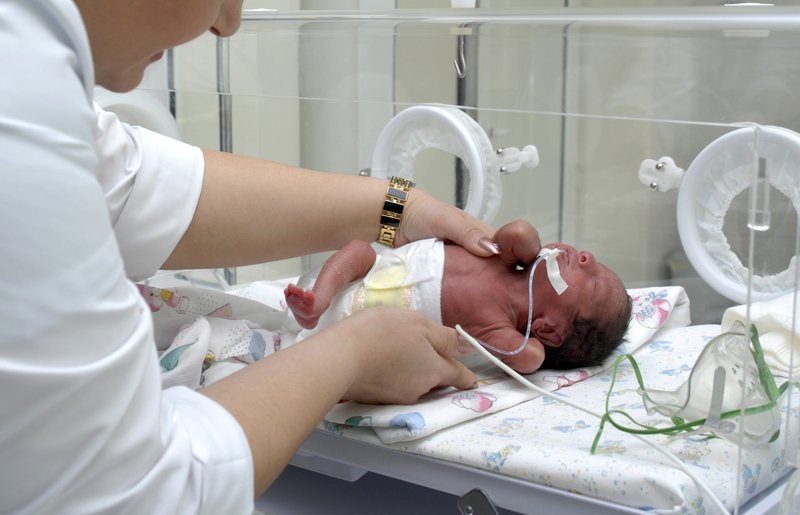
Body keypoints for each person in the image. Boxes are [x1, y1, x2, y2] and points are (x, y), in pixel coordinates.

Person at [0, 1, 542, 513]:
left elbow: (137, 188)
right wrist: (349, 353)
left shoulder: (29, 79)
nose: (228, 24)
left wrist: (402, 208)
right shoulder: (19, 115)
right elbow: (130, 492)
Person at [284, 224, 632, 375]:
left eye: (594, 284)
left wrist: (537, 349)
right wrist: (529, 243)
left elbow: (526, 359)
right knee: (359, 249)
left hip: (365, 332)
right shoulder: (509, 258)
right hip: (369, 272)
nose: (586, 259)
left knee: (360, 343)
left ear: (551, 329)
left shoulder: (500, 331)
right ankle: (316, 302)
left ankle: (314, 322)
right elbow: (518, 232)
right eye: (595, 263)